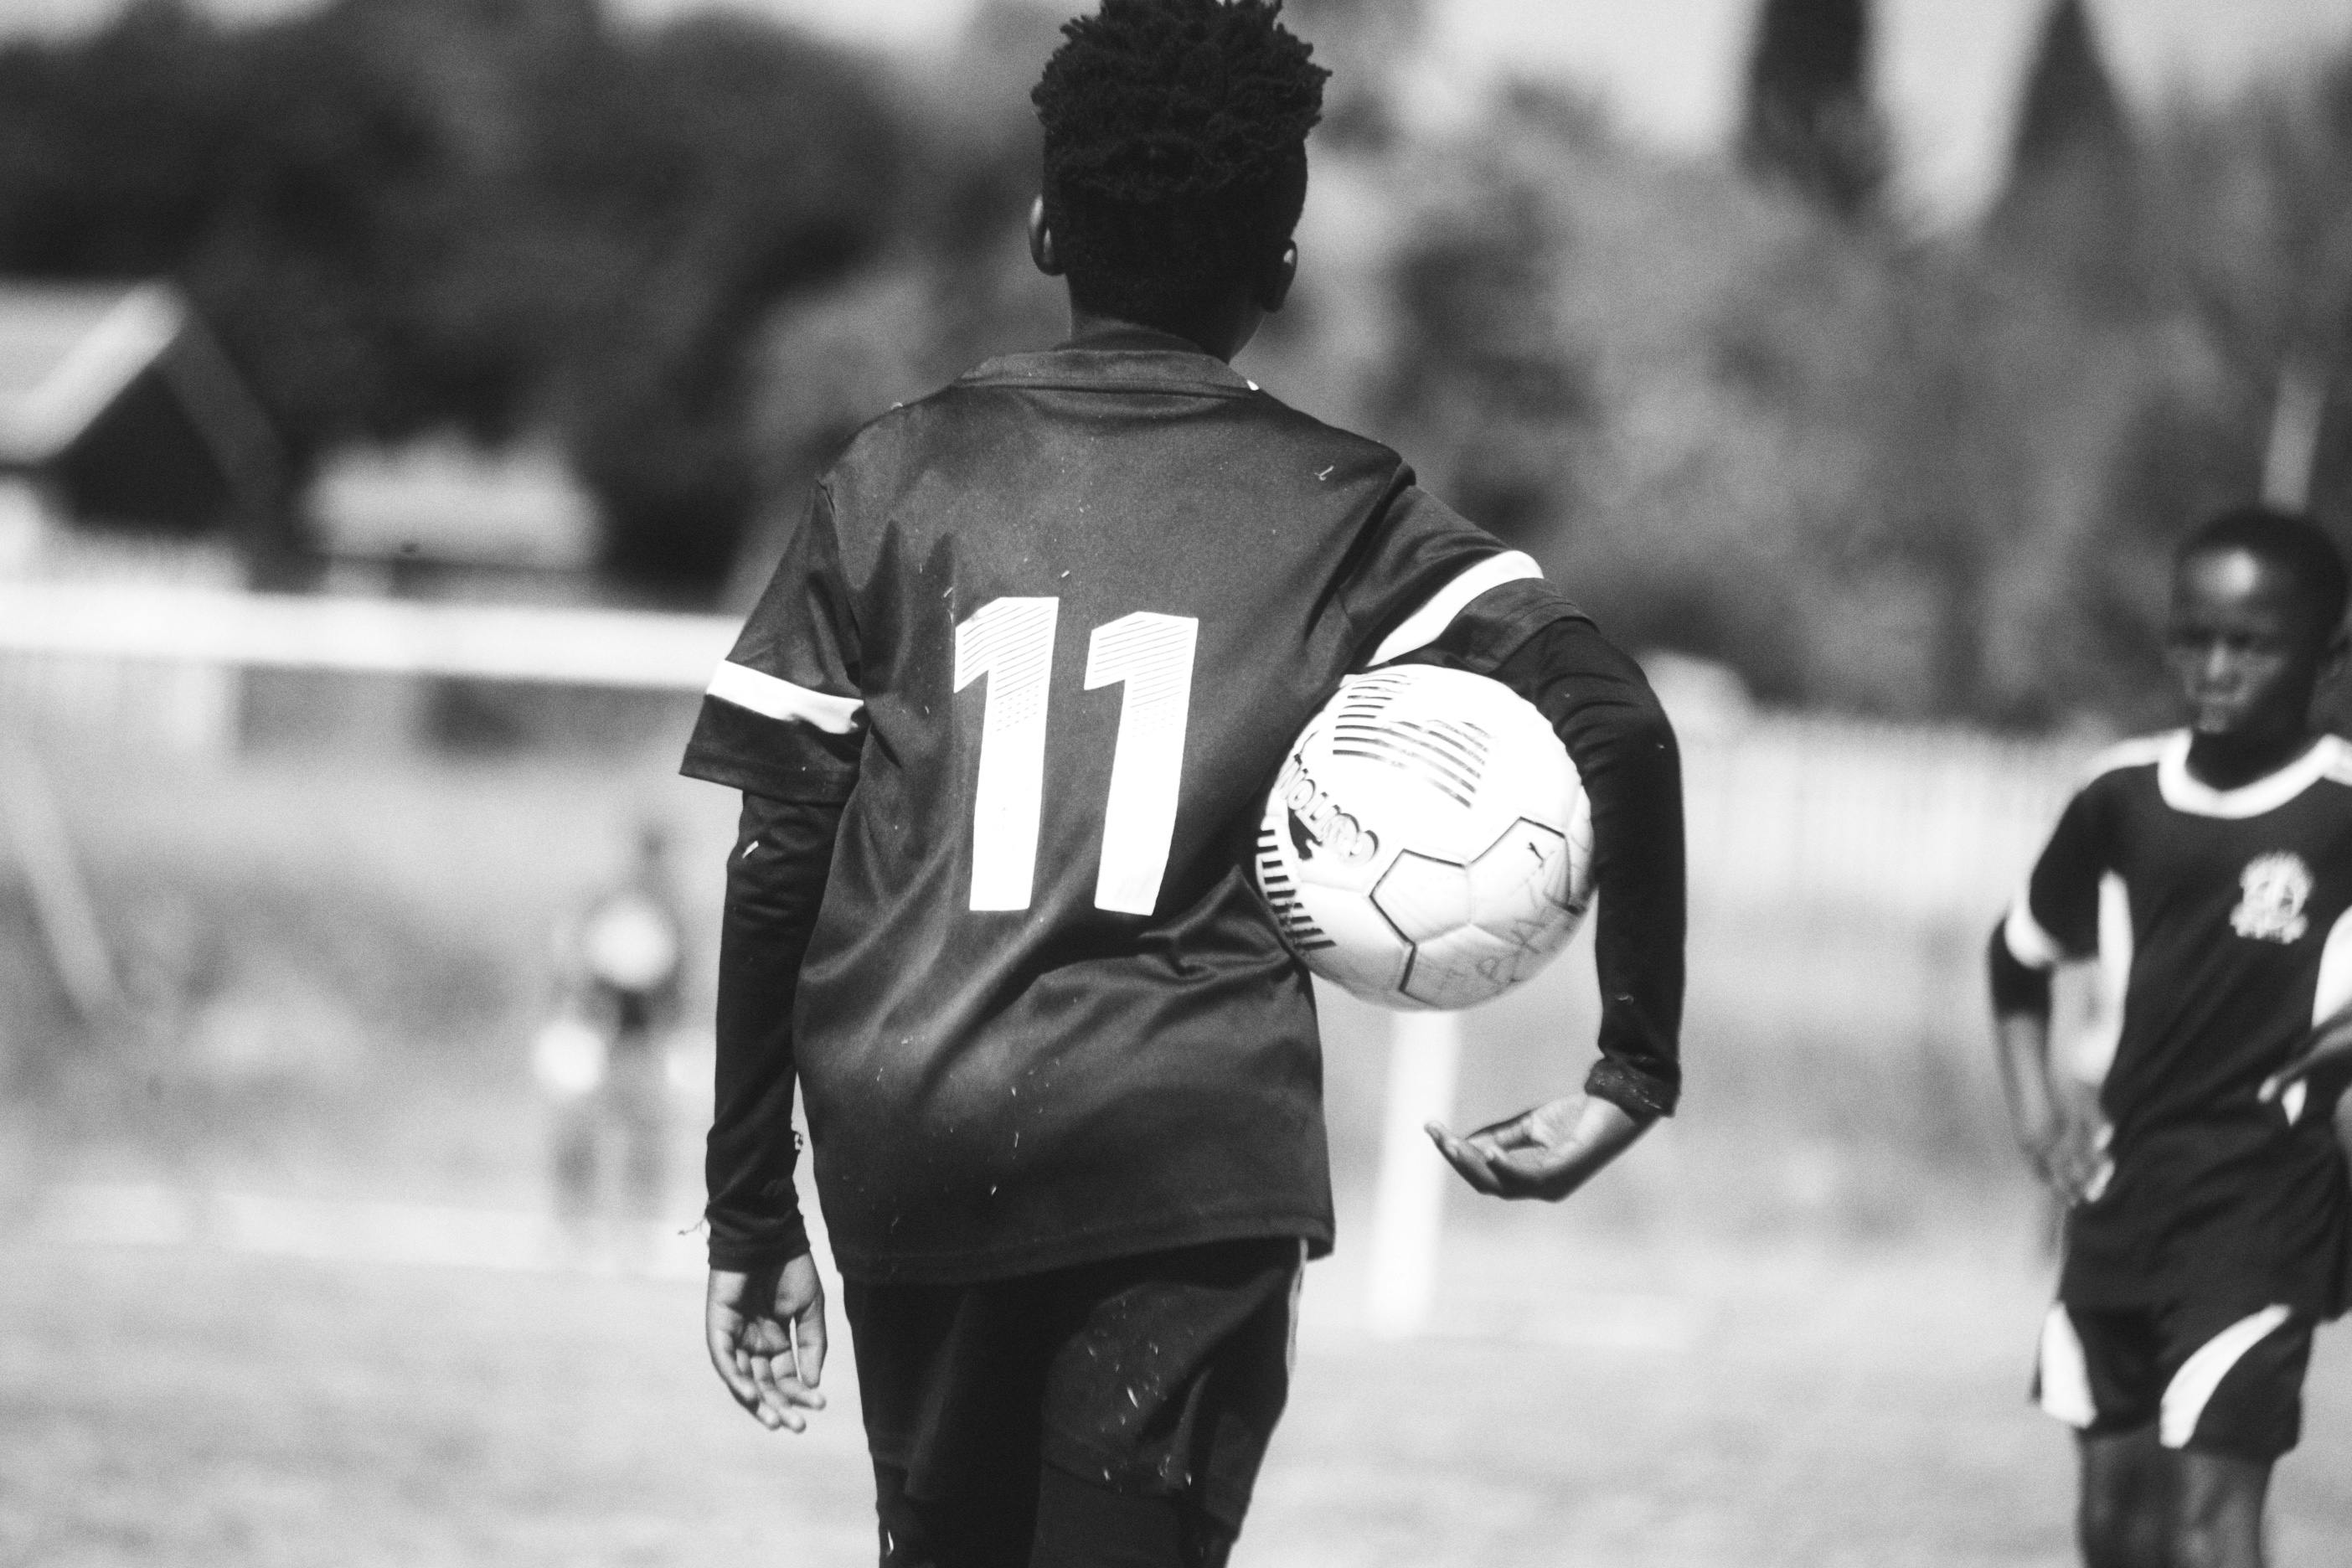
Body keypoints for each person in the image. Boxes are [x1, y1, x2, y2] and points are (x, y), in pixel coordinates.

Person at [679, 3, 1685, 1562]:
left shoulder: (895, 473)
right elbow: (1618, 726)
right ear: (1280, 261)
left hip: (913, 1134)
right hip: (1182, 1155)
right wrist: (1630, 1069)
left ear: (1042, 223)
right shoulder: (1342, 506)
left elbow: (775, 855)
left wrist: (750, 1201)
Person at [1990, 504, 2352, 1568]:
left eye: (2251, 642)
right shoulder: (2121, 797)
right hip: (2120, 1203)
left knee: (2211, 1523)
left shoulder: (2342, 812)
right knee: (2116, 1524)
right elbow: (2015, 959)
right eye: (2195, 637)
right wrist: (2035, 1119)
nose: (2217, 666)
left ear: (2328, 656)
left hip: (2263, 1210)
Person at [538, 818, 688, 1251]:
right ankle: (572, 1222)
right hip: (596, 1031)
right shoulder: (607, 903)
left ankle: (638, 1228)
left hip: (640, 1036)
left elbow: (677, 982)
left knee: (646, 1134)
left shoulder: (668, 911)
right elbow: (571, 960)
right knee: (578, 1131)